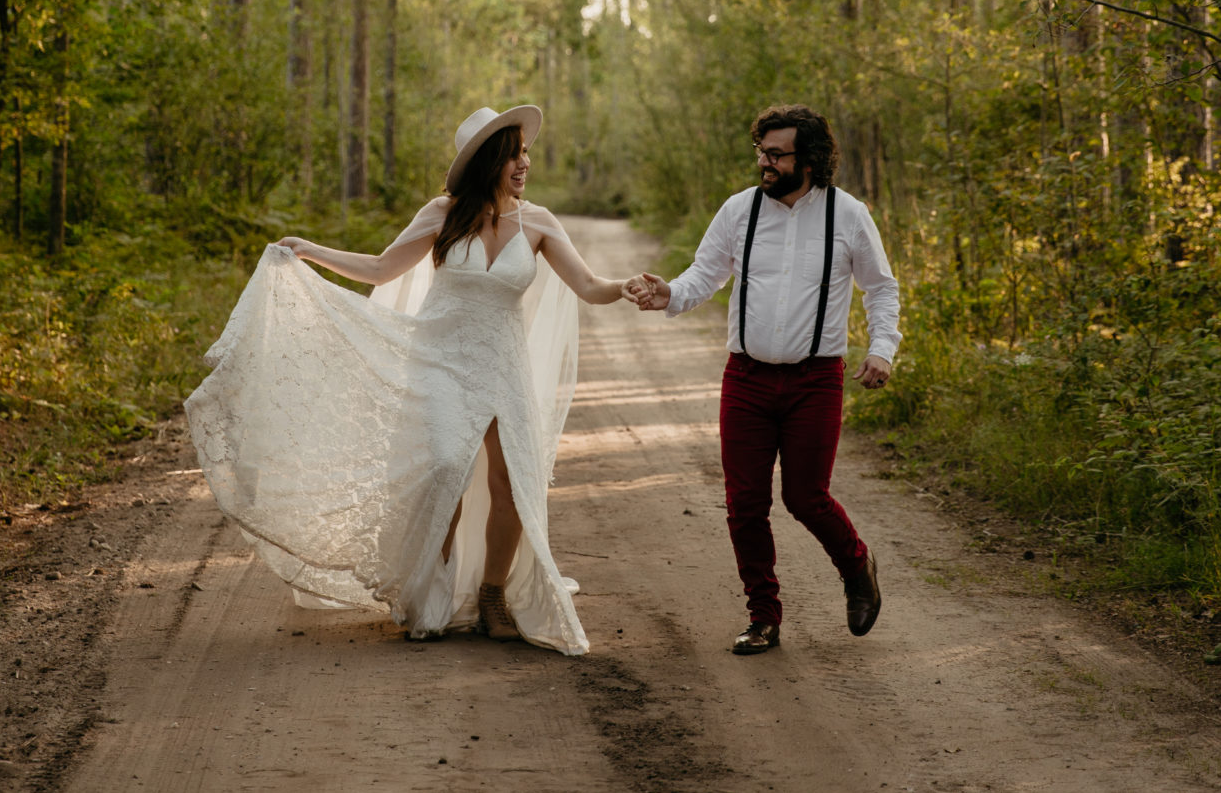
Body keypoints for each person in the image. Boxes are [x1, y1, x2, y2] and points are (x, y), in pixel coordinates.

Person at [184, 105, 632, 655]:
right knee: (444, 469)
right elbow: (380, 268)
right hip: (439, 361)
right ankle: (432, 592)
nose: (525, 163)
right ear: (490, 161)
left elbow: (588, 284)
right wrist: (309, 251)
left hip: (503, 368)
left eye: (524, 153)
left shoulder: (537, 223)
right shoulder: (444, 213)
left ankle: (492, 596)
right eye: (514, 154)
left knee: (513, 484)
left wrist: (628, 286)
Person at [624, 104, 900, 655]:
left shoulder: (848, 215)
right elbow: (706, 273)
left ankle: (856, 564)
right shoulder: (739, 210)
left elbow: (881, 287)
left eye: (777, 154)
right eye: (762, 152)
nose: (765, 163)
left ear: (811, 159)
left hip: (816, 379)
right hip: (746, 378)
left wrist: (882, 349)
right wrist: (668, 294)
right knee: (745, 504)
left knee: (805, 497)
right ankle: (763, 617)